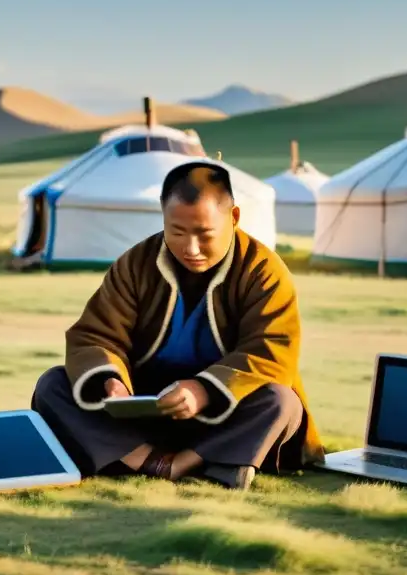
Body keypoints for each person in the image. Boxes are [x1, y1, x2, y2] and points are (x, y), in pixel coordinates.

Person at [31, 160, 324, 490]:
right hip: (146, 408)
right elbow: (96, 334)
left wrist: (204, 390)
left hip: (224, 414)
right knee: (53, 384)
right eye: (178, 232)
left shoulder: (264, 270)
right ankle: (149, 460)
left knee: (281, 401)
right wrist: (111, 380)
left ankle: (183, 462)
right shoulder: (136, 263)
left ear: (234, 217)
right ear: (163, 219)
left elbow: (271, 352)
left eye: (204, 234)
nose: (191, 248)